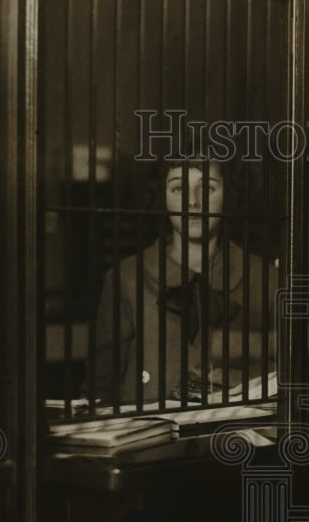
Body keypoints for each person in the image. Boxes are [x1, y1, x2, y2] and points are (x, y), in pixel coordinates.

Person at [91, 157, 277, 407]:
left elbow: (289, 372)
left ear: (228, 194)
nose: (193, 202)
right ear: (162, 196)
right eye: (178, 189)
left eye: (208, 188)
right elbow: (102, 383)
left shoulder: (264, 278)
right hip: (144, 436)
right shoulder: (126, 277)